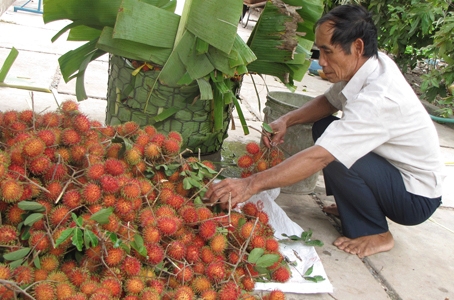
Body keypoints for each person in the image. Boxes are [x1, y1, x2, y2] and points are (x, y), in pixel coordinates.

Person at [205, 4, 446, 258]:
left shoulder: (378, 98)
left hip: (414, 199)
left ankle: (376, 232)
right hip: (394, 174)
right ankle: (355, 205)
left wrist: (250, 184)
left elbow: (321, 156)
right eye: (320, 52)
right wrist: (287, 120)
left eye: (328, 52)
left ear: (357, 47)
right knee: (325, 127)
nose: (321, 62)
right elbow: (329, 103)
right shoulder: (368, 64)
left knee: (335, 153)